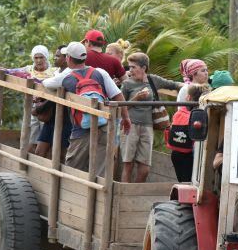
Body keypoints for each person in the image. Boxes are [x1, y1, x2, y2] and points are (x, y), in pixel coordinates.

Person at [60, 42, 130, 176]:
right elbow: (118, 95)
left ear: (68, 58)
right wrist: (126, 117)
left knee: (73, 170)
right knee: (101, 171)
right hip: (103, 126)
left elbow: (46, 83)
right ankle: (99, 196)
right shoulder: (100, 73)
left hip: (81, 130)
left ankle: (74, 196)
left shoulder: (65, 78)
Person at [120, 52, 183, 183]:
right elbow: (121, 107)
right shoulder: (127, 84)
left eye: (133, 67)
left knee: (145, 167)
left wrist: (189, 86)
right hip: (130, 125)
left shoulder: (153, 80)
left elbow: (173, 85)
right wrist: (136, 98)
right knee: (128, 163)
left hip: (148, 126)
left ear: (143, 68)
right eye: (129, 67)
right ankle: (124, 195)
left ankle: (136, 193)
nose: (130, 70)